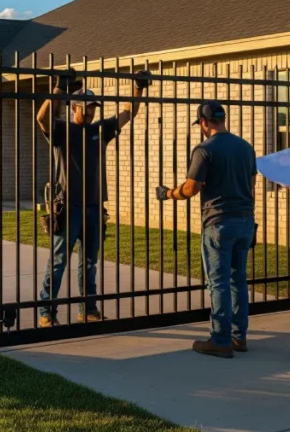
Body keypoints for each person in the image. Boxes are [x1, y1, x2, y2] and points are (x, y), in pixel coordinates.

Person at [36, 71, 150, 327]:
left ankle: (88, 309)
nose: (91, 113)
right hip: (68, 207)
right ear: (74, 106)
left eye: (93, 109)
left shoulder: (100, 130)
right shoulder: (62, 129)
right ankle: (46, 312)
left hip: (94, 207)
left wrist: (138, 89)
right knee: (58, 261)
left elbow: (128, 114)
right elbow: (41, 117)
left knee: (89, 262)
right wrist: (58, 90)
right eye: (87, 108)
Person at [156, 100, 256, 359]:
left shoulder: (204, 149)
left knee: (219, 282)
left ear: (203, 122)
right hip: (245, 220)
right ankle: (238, 337)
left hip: (219, 221)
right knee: (238, 280)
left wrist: (168, 193)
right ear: (223, 119)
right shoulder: (245, 147)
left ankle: (221, 340)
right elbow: (251, 182)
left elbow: (191, 188)